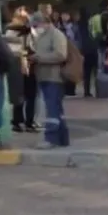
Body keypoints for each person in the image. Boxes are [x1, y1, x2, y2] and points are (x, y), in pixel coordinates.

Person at [29, 13, 71, 148]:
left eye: (36, 25)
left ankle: (51, 138)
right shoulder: (41, 36)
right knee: (57, 110)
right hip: (43, 76)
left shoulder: (56, 35)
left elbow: (61, 55)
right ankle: (63, 139)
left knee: (52, 110)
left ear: (44, 23)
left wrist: (39, 58)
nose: (35, 28)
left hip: (54, 77)